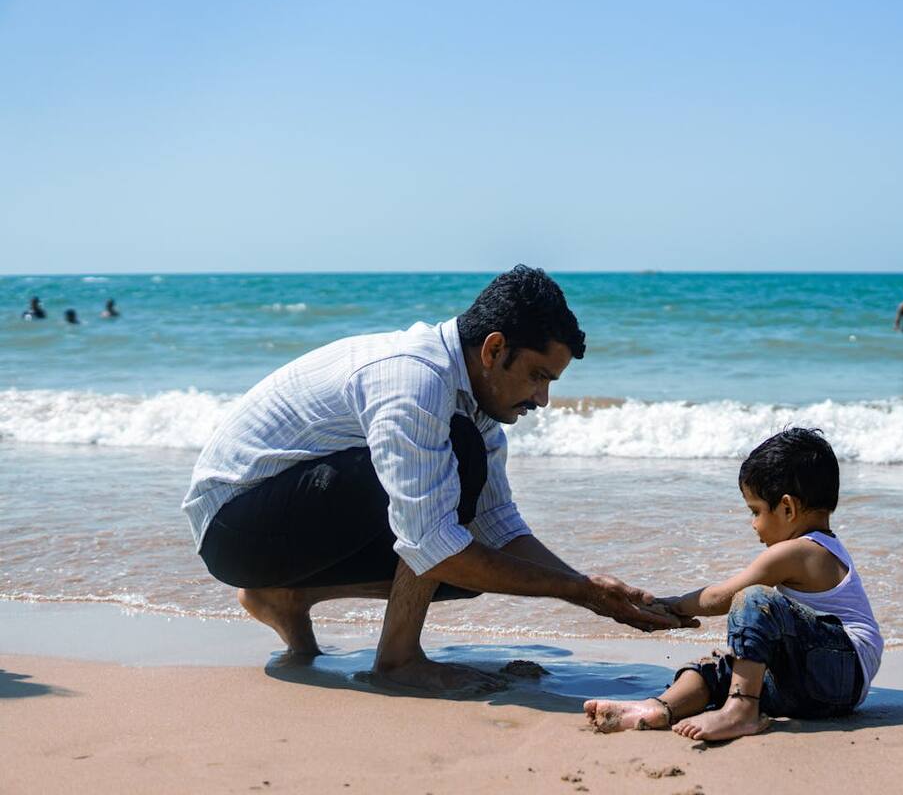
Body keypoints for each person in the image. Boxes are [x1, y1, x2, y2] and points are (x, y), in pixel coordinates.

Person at [182, 265, 691, 694]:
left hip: (281, 524)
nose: (542, 400)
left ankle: (286, 597)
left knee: (473, 562)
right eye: (537, 376)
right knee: (452, 512)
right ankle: (398, 661)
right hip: (235, 523)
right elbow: (431, 542)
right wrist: (575, 592)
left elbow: (496, 525)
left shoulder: (478, 400)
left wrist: (587, 587)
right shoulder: (417, 379)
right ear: (494, 350)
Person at [585, 428, 883, 742]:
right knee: (718, 669)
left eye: (755, 511)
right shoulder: (824, 548)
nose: (753, 524)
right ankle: (656, 709)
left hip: (838, 668)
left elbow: (720, 597)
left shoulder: (800, 550)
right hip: (824, 686)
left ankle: (741, 709)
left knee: (754, 598)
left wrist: (670, 605)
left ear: (787, 508)